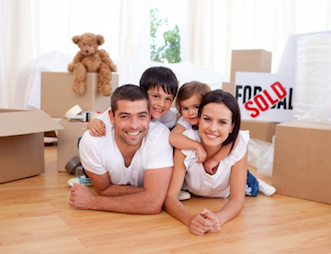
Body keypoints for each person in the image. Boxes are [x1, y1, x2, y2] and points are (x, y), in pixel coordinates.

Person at [164, 90, 263, 235]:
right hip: (195, 192)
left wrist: (218, 218)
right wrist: (190, 218)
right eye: (207, 119)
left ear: (231, 126)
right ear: (198, 119)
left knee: (250, 185)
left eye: (222, 122)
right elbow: (170, 197)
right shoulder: (185, 142)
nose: (212, 128)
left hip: (226, 191)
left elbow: (237, 198)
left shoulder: (239, 143)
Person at [69, 85, 174, 214]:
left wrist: (93, 202)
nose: (134, 125)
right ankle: (85, 171)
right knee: (85, 145)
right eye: (125, 116)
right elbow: (104, 190)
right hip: (97, 150)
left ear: (149, 115)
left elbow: (153, 204)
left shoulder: (160, 134)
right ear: (111, 117)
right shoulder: (92, 141)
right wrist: (154, 193)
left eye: (141, 116)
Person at [68, 66, 179, 186]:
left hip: (150, 155)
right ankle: (91, 175)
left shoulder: (170, 118)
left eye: (168, 99)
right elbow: (97, 121)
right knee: (83, 140)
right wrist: (94, 123)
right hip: (125, 147)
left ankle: (171, 183)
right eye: (156, 96)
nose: (161, 104)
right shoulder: (124, 108)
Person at [169, 82, 276, 197]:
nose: (191, 113)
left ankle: (257, 183)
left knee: (247, 183)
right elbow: (174, 137)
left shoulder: (214, 121)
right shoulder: (185, 122)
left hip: (229, 169)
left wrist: (215, 160)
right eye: (185, 108)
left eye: (196, 107)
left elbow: (234, 141)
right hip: (201, 175)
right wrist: (197, 146)